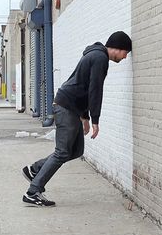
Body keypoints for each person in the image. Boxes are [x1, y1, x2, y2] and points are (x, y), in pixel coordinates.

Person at [22, 31, 132, 207]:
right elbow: (95, 90)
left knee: (76, 150)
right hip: (66, 107)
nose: (126, 57)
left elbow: (84, 87)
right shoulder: (100, 58)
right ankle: (33, 191)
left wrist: (85, 117)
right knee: (62, 152)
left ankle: (36, 169)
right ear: (119, 48)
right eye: (126, 53)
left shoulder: (95, 55)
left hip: (72, 107)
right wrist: (95, 119)